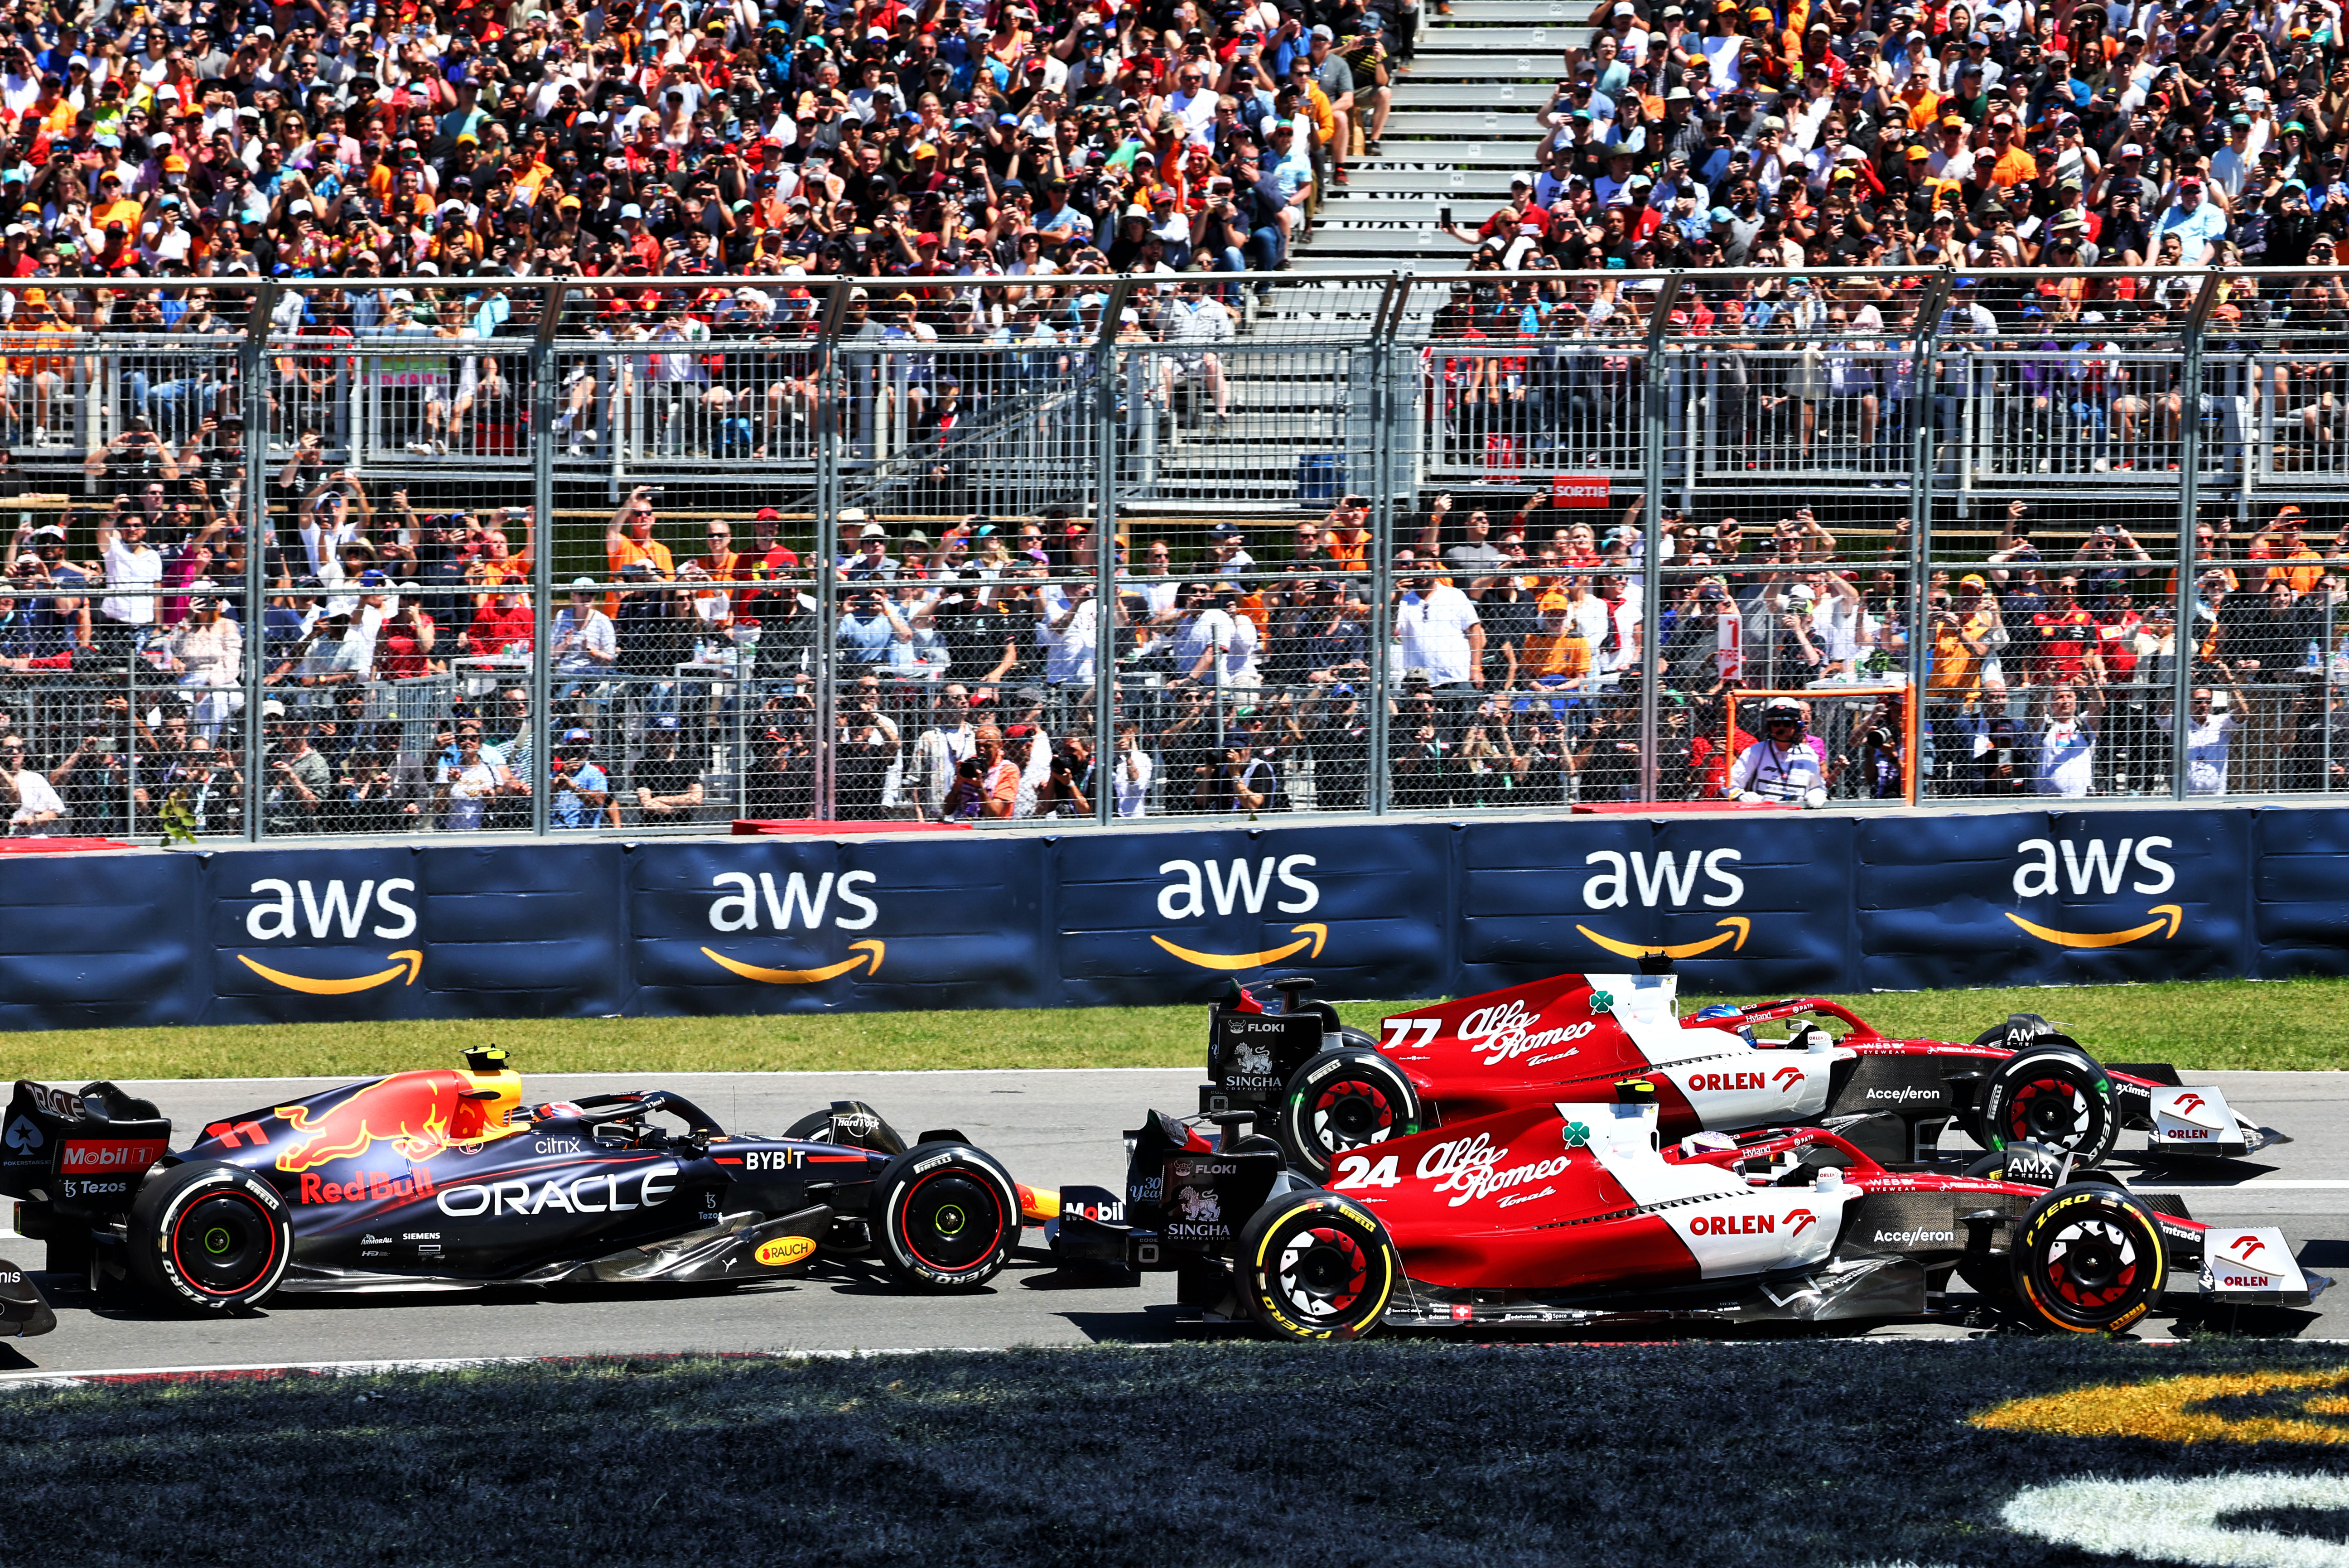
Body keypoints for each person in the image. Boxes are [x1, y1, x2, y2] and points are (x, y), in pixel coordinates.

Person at [1726, 696, 1830, 805]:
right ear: (1769, 727)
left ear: (1797, 725)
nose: (1782, 728)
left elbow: (1818, 786)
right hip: (1763, 815)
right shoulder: (1756, 752)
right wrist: (1740, 795)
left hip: (1798, 816)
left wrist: (1817, 793)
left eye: (1787, 724)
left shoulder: (1808, 754)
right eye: (1776, 724)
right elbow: (1730, 783)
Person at [2034, 682, 2103, 798]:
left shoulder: (2084, 724)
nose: (2065, 701)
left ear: (2076, 702)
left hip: (2080, 797)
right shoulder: (2045, 725)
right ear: (2052, 704)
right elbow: (2035, 708)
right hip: (2047, 799)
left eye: (2069, 696)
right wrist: (2046, 681)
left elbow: (2100, 706)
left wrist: (2091, 680)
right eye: (2060, 697)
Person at [549, 728, 617, 830]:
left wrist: (574, 788)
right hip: (555, 832)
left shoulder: (594, 773)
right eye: (576, 747)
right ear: (565, 749)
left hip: (586, 832)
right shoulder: (553, 772)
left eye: (585, 747)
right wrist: (557, 783)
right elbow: (539, 802)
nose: (581, 751)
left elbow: (599, 801)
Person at [1, 733, 63, 835]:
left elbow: (55, 810)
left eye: (19, 748)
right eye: (9, 749)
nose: (15, 752)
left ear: (24, 752)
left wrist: (34, 819)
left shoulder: (35, 778)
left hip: (32, 836)